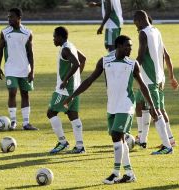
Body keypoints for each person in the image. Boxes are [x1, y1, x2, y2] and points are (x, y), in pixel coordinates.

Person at [64, 35, 159, 184]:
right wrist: (72, 96)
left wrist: (153, 107)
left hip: (126, 105)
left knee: (116, 135)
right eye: (127, 46)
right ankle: (129, 174)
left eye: (131, 46)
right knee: (119, 140)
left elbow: (143, 86)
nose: (130, 49)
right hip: (112, 106)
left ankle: (115, 173)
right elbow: (89, 80)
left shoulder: (132, 64)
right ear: (118, 46)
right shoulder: (104, 61)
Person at [133, 10, 173, 154]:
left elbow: (141, 56)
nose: (135, 27)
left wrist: (129, 69)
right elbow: (165, 55)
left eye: (135, 23)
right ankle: (142, 140)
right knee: (139, 104)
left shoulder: (143, 33)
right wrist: (169, 76)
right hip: (155, 77)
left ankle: (167, 146)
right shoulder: (156, 31)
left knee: (154, 111)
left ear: (138, 20)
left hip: (149, 79)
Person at [0, 8, 38, 130]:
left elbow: (31, 53)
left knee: (25, 94)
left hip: (25, 69)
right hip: (10, 69)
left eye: (12, 17)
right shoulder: (4, 32)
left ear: (19, 18)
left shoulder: (27, 33)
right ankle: (13, 122)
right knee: (12, 92)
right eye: (8, 17)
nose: (9, 19)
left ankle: (26, 123)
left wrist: (32, 71)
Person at [47, 26, 86, 154]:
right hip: (75, 87)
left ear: (60, 37)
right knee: (73, 115)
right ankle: (80, 146)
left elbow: (77, 63)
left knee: (51, 113)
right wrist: (76, 78)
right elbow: (83, 59)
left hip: (64, 90)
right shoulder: (71, 46)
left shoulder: (66, 49)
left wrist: (66, 79)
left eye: (54, 37)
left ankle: (63, 142)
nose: (53, 39)